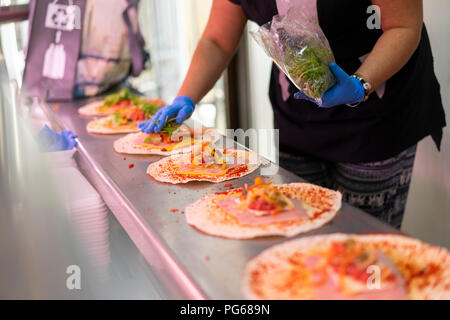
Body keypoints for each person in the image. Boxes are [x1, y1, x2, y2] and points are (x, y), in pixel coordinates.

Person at [139, 0, 446, 229]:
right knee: (298, 236)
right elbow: (217, 39)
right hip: (297, 119)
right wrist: (185, 96)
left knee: (361, 249)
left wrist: (360, 84)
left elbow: (403, 26)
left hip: (378, 115)